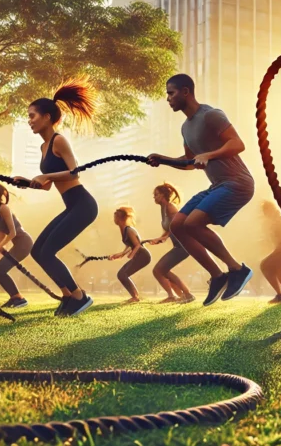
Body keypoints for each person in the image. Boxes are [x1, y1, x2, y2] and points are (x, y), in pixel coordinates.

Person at [149, 74, 255, 306]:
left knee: (192, 223)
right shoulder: (186, 128)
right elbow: (190, 163)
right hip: (217, 185)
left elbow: (238, 144)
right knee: (178, 225)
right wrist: (163, 159)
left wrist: (210, 154)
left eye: (171, 93)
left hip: (238, 182)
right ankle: (218, 277)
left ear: (186, 92)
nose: (168, 99)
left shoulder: (211, 115)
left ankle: (237, 269)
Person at [13, 78, 98, 317]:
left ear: (47, 117)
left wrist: (44, 174)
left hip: (83, 204)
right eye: (28, 117)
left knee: (48, 251)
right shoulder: (44, 147)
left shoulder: (59, 140)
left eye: (32, 116)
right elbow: (48, 186)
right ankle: (68, 295)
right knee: (38, 250)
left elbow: (75, 171)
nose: (29, 121)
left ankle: (80, 296)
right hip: (71, 205)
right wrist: (30, 183)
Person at [147, 183, 195, 304]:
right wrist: (160, 238)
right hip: (178, 246)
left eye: (156, 195)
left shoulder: (170, 207)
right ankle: (180, 295)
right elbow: (168, 229)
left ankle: (186, 295)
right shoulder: (163, 209)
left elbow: (176, 225)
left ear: (163, 195)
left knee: (158, 270)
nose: (154, 197)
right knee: (161, 270)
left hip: (183, 246)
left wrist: (164, 238)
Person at [109, 206, 152, 304]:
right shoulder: (123, 230)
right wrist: (121, 254)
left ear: (121, 219)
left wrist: (131, 255)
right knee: (121, 274)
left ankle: (135, 297)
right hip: (138, 255)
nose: (114, 219)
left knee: (123, 274)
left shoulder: (129, 230)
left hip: (143, 256)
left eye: (116, 217)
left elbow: (137, 244)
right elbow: (129, 245)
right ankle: (135, 296)